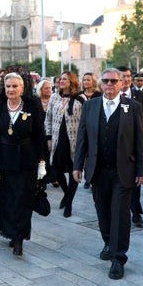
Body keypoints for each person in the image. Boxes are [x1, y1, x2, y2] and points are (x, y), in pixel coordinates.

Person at [73, 69, 143, 280]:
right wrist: (77, 165)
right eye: (105, 81)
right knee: (103, 212)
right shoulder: (90, 106)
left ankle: (118, 258)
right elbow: (82, 138)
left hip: (123, 171)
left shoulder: (133, 107)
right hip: (98, 170)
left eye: (113, 81)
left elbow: (141, 141)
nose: (109, 84)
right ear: (100, 84)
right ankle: (108, 241)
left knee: (120, 214)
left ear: (121, 84)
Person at [0, 72, 47, 256]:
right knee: (8, 200)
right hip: (5, 160)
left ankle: (20, 238)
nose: (11, 89)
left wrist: (42, 162)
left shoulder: (32, 106)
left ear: (22, 88)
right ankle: (11, 232)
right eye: (8, 86)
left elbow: (39, 135)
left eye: (15, 86)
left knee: (23, 200)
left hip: (27, 160)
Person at [45, 71, 86, 217]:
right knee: (56, 169)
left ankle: (69, 203)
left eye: (65, 79)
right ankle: (67, 193)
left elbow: (85, 121)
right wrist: (48, 137)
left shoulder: (81, 99)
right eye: (61, 79)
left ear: (72, 81)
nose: (61, 81)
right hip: (57, 138)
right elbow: (48, 118)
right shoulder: (54, 97)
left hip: (74, 140)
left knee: (74, 170)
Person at [116, 66, 143, 228]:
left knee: (135, 180)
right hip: (116, 148)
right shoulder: (110, 97)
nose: (127, 79)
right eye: (123, 76)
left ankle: (136, 212)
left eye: (129, 76)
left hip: (135, 147)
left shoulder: (141, 97)